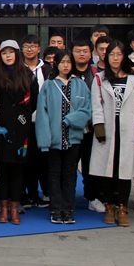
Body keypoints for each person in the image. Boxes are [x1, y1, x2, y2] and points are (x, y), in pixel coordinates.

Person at [90, 41, 134, 228]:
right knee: (107, 170)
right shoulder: (100, 78)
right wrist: (99, 127)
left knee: (124, 171)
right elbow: (96, 105)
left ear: (124, 57)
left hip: (127, 130)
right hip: (108, 130)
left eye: (119, 54)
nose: (115, 58)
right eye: (111, 54)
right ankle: (109, 207)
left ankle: (122, 207)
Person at [36, 49, 92, 224]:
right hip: (54, 138)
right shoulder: (49, 85)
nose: (65, 65)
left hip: (73, 138)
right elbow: (42, 114)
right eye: (62, 62)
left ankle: (68, 209)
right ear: (56, 64)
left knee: (69, 173)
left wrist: (70, 120)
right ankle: (56, 209)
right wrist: (44, 139)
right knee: (54, 173)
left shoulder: (80, 84)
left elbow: (87, 109)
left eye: (68, 62)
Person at [0, 40, 37, 225]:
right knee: (2, 169)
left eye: (11, 52)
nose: (8, 56)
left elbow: (34, 101)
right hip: (1, 129)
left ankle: (15, 208)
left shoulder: (28, 75)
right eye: (4, 53)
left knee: (18, 170)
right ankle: (3, 208)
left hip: (21, 129)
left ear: (17, 53)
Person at [70, 38, 101, 213]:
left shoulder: (97, 73)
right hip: (70, 127)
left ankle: (92, 197)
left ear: (91, 54)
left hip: (91, 128)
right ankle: (68, 198)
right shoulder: (66, 71)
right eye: (78, 51)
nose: (81, 54)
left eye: (85, 51)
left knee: (91, 164)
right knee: (69, 165)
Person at [21, 33, 50, 209]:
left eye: (33, 46)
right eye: (26, 46)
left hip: (42, 122)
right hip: (22, 122)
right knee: (25, 160)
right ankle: (25, 194)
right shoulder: (18, 68)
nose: (29, 49)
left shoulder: (48, 70)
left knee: (41, 160)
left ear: (39, 49)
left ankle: (38, 193)